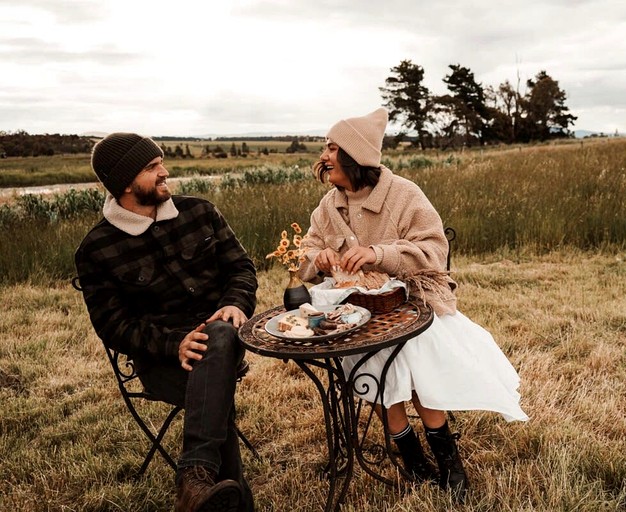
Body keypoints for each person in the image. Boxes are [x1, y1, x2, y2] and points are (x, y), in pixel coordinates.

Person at [298, 108, 529, 503]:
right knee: (384, 369)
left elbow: (434, 250)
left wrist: (379, 253)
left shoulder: (404, 195)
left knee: (414, 355)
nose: (324, 155)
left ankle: (448, 460)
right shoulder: (327, 206)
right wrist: (316, 260)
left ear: (355, 155)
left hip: (415, 303)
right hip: (356, 314)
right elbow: (306, 251)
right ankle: (415, 461)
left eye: (332, 147)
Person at [74, 133, 258, 512]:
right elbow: (112, 325)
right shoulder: (96, 248)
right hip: (161, 361)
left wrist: (234, 303)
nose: (165, 172)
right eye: (152, 167)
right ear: (126, 183)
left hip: (220, 336)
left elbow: (240, 269)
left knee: (219, 336)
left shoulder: (200, 211)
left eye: (161, 164)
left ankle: (194, 475)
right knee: (212, 380)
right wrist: (174, 343)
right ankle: (219, 492)